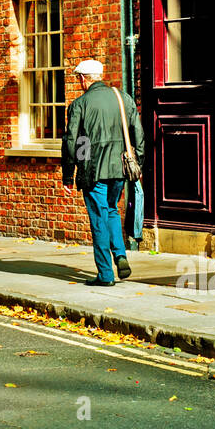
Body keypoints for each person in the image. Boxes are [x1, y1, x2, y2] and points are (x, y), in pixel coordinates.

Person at [61, 59, 145, 287]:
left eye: (78, 78)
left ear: (83, 79)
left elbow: (74, 142)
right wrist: (139, 164)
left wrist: (69, 174)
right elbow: (137, 133)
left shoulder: (80, 105)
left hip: (93, 171)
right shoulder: (122, 98)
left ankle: (106, 275)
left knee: (98, 219)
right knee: (111, 211)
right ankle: (120, 255)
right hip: (120, 168)